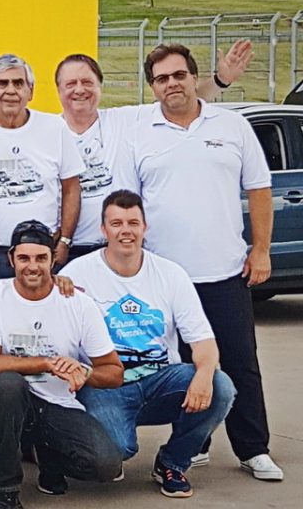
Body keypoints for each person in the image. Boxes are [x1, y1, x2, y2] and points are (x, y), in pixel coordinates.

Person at [123, 42, 282, 481]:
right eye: (161, 79)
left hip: (225, 272)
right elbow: (129, 205)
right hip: (165, 278)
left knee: (240, 363)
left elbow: (259, 189)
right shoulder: (138, 132)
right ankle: (193, 444)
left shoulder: (232, 126)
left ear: (195, 77)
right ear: (152, 87)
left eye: (179, 75)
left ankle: (254, 448)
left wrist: (261, 249)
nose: (171, 84)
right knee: (181, 368)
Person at [61, 190, 236, 498]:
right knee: (116, 450)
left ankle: (172, 462)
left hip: (160, 380)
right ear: (103, 229)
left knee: (220, 387)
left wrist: (204, 375)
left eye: (133, 223)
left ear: (145, 227)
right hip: (105, 384)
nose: (125, 231)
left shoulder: (171, 274)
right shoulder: (76, 273)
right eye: (116, 223)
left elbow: (203, 340)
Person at [0, 220, 123, 509]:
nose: (32, 266)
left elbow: (114, 373)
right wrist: (48, 363)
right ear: (11, 258)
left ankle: (45, 453)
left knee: (105, 465)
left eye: (41, 258)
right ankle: (3, 489)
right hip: (5, 404)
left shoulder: (78, 303)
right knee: (9, 383)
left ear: (54, 259)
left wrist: (84, 372)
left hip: (56, 403)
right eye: (24, 258)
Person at [55, 42, 252, 259]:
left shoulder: (124, 120)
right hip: (65, 250)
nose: (80, 90)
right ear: (58, 89)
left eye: (87, 82)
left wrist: (221, 80)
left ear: (100, 86)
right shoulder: (47, 133)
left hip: (119, 248)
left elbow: (179, 99)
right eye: (70, 84)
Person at [0, 54, 84, 294]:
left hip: (43, 254)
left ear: (31, 91)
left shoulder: (54, 128)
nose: (10, 91)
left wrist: (64, 241)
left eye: (18, 83)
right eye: (2, 83)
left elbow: (71, 187)